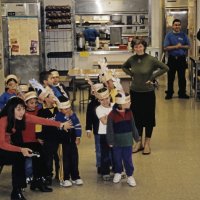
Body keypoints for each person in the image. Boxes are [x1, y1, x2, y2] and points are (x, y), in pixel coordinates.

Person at [0, 97, 72, 200]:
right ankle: (16, 191)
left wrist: (60, 124)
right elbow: (2, 144)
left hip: (13, 145)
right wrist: (21, 150)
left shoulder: (23, 117)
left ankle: (37, 181)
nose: (22, 112)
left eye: (23, 109)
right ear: (11, 109)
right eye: (18, 109)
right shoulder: (3, 120)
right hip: (2, 148)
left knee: (38, 153)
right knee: (19, 157)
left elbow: (41, 120)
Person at [122, 38, 168, 155]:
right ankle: (139, 142)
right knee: (137, 118)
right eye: (136, 47)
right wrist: (131, 74)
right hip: (135, 92)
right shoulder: (132, 59)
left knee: (148, 119)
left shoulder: (151, 59)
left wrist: (152, 77)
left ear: (144, 47)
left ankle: (147, 143)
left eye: (140, 46)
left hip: (147, 93)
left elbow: (165, 68)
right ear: (133, 48)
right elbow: (124, 67)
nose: (138, 48)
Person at [106, 92, 139, 187]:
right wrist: (110, 141)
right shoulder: (112, 115)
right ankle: (118, 172)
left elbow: (133, 126)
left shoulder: (130, 112)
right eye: (128, 101)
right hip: (116, 142)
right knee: (117, 158)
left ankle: (130, 175)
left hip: (128, 141)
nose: (130, 103)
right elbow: (110, 129)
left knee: (128, 159)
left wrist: (137, 138)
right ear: (120, 103)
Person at [56, 96, 83, 187]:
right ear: (60, 109)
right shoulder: (58, 116)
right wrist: (66, 117)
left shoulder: (73, 115)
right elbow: (58, 127)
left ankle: (75, 177)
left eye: (69, 108)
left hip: (72, 141)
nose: (68, 110)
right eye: (65, 109)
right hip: (63, 142)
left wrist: (78, 136)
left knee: (74, 159)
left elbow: (77, 125)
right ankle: (65, 178)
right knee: (65, 160)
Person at [164, 18, 190, 100]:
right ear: (172, 26)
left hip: (181, 59)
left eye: (178, 25)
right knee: (170, 77)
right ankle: (169, 93)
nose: (177, 26)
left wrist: (181, 46)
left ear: (180, 26)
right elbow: (165, 47)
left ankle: (182, 93)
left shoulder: (184, 35)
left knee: (182, 77)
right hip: (172, 59)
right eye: (175, 25)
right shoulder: (168, 35)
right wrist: (175, 47)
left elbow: (188, 46)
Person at [95, 87, 114, 180]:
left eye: (106, 98)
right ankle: (105, 172)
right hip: (104, 134)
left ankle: (118, 170)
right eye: (102, 100)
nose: (105, 101)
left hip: (115, 133)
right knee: (105, 154)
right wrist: (112, 117)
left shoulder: (115, 106)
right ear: (99, 100)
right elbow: (104, 122)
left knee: (116, 153)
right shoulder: (98, 109)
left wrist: (108, 117)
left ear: (110, 97)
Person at [85, 83, 104, 174]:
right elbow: (89, 118)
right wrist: (88, 129)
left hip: (109, 130)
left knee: (110, 147)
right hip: (97, 130)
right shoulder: (91, 104)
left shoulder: (108, 101)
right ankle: (99, 165)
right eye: (93, 92)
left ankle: (111, 163)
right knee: (99, 148)